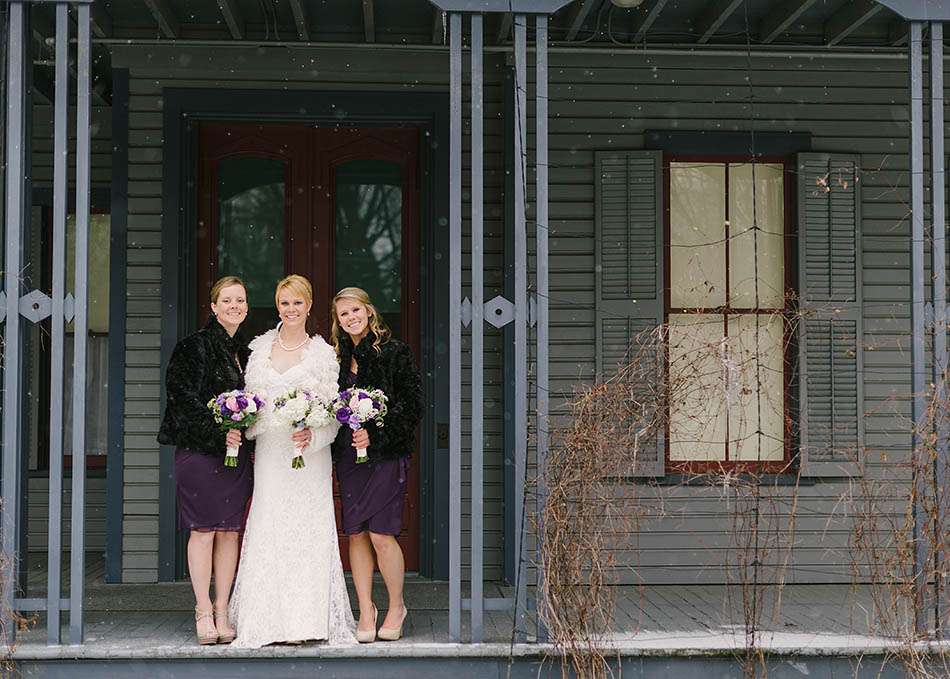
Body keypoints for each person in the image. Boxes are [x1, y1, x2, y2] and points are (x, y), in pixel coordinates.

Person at [228, 274, 355, 647]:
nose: (291, 309)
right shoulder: (259, 349)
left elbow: (333, 414)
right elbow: (250, 404)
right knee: (269, 525)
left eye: (297, 303)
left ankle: (307, 621)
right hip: (270, 452)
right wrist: (256, 422)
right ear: (277, 306)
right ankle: (267, 622)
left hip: (308, 456)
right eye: (285, 303)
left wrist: (313, 436)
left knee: (308, 530)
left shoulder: (323, 354)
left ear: (309, 305)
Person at [158, 275, 253, 645]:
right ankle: (201, 609)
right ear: (213, 307)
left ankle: (222, 608)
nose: (235, 307)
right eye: (227, 300)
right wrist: (218, 433)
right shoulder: (193, 348)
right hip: (199, 455)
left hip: (237, 457)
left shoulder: (248, 352)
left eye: (240, 301)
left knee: (230, 530)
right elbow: (183, 402)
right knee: (203, 530)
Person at [331, 287, 423, 643]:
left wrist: (375, 434)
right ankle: (366, 608)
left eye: (355, 310)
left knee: (382, 533)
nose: (350, 317)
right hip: (349, 457)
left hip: (385, 455)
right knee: (355, 532)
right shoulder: (338, 359)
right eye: (343, 314)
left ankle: (396, 606)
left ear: (368, 311)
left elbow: (411, 406)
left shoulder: (394, 353)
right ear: (338, 322)